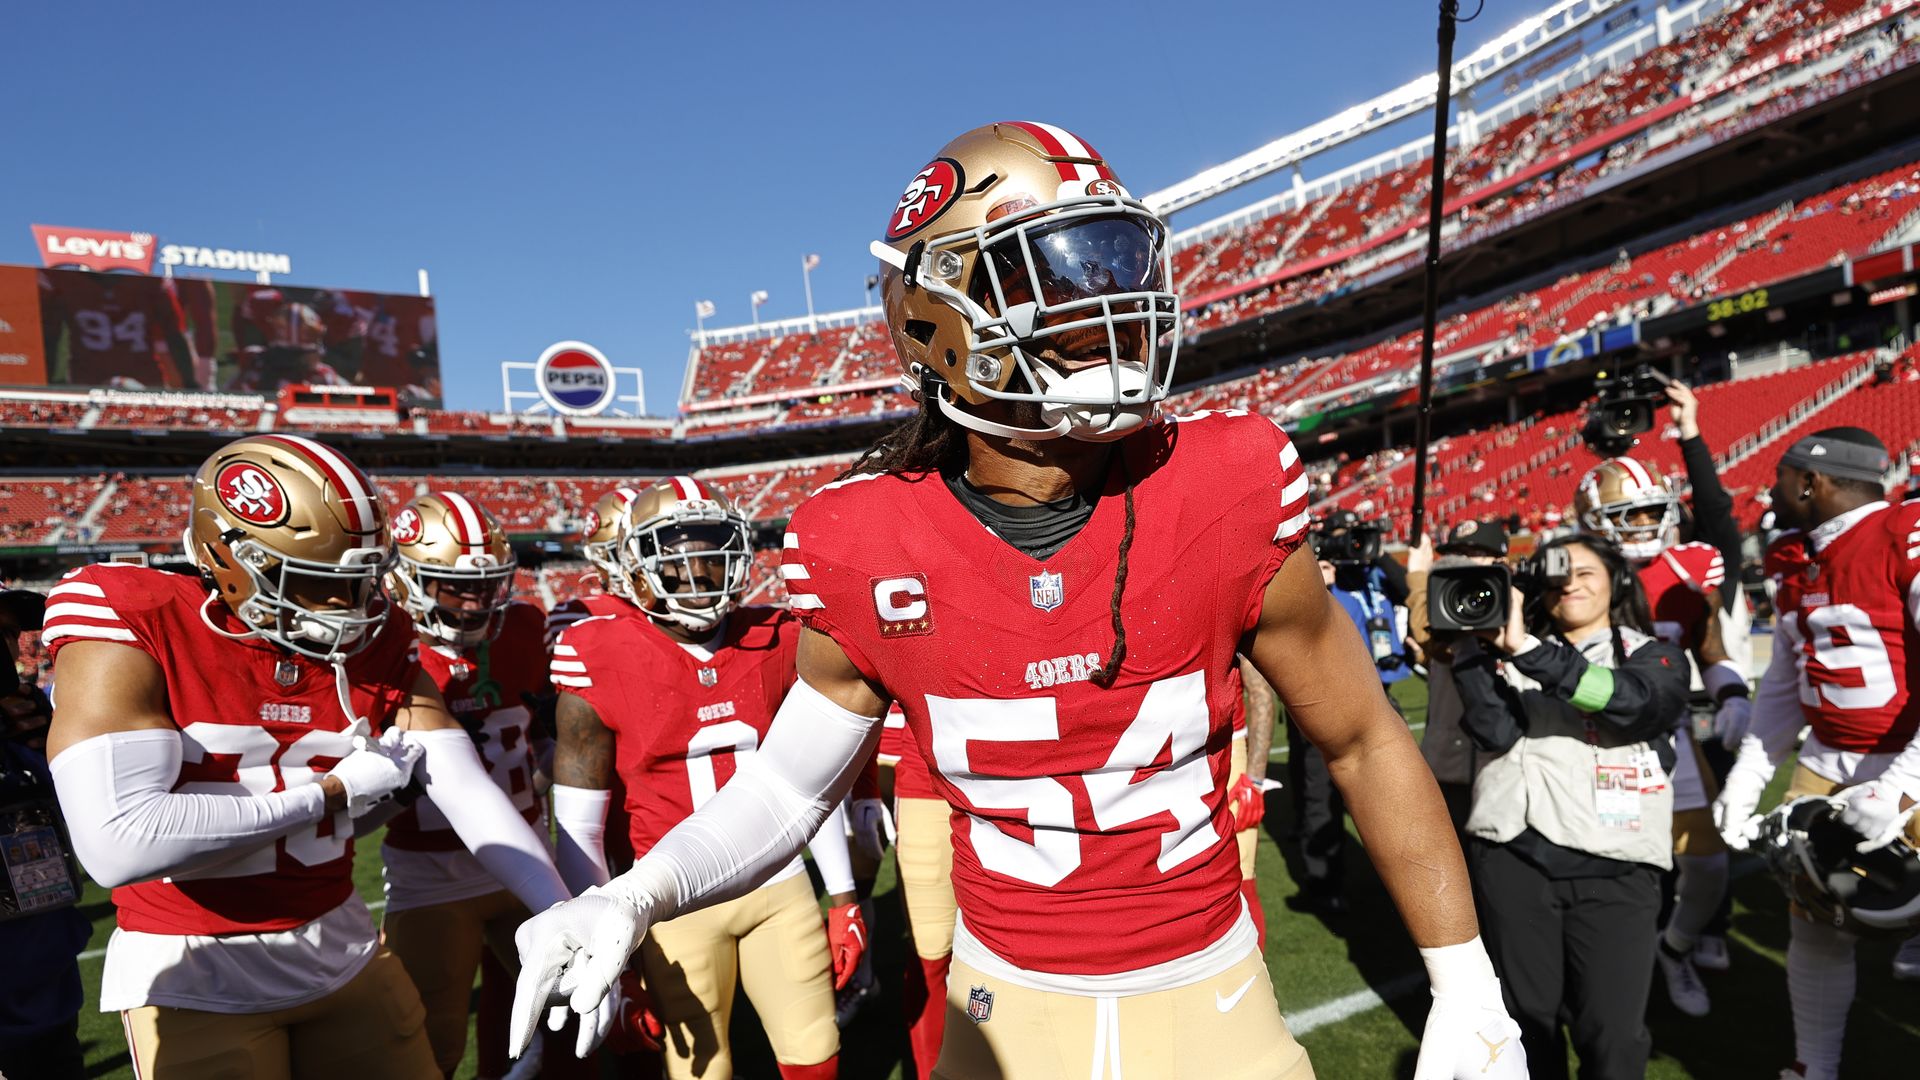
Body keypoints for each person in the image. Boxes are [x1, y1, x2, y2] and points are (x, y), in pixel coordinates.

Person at [513, 121, 1524, 1080]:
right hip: (1006, 1009)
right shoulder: (864, 539)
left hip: (1212, 989)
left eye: (1117, 271)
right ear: (937, 317)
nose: (1109, 312)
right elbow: (786, 791)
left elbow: (1360, 737)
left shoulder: (1223, 481)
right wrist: (634, 895)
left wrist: (1468, 983)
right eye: (1063, 281)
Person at [40, 433, 577, 1079]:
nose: (348, 610)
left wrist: (560, 911)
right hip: (195, 969)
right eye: (318, 583)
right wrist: (331, 794)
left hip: (341, 942)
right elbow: (119, 843)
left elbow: (463, 786)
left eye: (357, 582)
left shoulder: (381, 635)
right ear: (229, 556)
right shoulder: (133, 611)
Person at [548, 476, 865, 1080]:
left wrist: (844, 896)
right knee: (700, 1067)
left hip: (781, 881)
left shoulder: (777, 637)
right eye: (679, 553)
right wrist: (601, 948)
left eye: (711, 547)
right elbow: (580, 829)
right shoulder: (595, 653)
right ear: (637, 568)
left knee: (816, 1053)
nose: (699, 567)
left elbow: (809, 784)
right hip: (671, 897)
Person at [1712, 427, 1920, 1080]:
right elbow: (1784, 681)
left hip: (1909, 762)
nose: (1771, 490)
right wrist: (1749, 776)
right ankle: (1816, 1067)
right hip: (1826, 761)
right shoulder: (1794, 559)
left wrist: (1897, 787)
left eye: (1780, 476)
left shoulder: (1903, 533)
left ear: (1810, 481)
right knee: (1815, 923)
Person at [1450, 534, 1691, 1080]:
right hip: (1513, 856)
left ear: (1618, 580)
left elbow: (1633, 705)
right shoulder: (1504, 647)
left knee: (1612, 1035)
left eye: (1585, 571)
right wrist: (1468, 648)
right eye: (1558, 574)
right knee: (1525, 1027)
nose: (1570, 583)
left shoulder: (1654, 654)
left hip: (1618, 865)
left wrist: (1527, 652)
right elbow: (1494, 731)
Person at [380, 491, 583, 1077]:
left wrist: (550, 759)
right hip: (431, 874)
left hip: (525, 853)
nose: (477, 599)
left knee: (567, 1014)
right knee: (430, 1037)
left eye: (488, 582)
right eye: (455, 583)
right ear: (410, 579)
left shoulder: (521, 627)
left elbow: (538, 733)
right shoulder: (386, 646)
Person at [1576, 446, 1747, 1016]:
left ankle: (1673, 949)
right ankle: (1608, 971)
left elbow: (1708, 642)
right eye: (1633, 515)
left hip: (1669, 733)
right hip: (1595, 741)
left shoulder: (1687, 567)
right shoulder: (1577, 572)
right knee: (1615, 869)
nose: (1649, 525)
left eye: (1653, 512)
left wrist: (1732, 692)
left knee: (1706, 863)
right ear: (1596, 520)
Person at [1291, 514, 1411, 914]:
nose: (1354, 547)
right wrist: (1317, 574)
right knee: (1321, 800)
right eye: (1345, 540)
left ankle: (1394, 877)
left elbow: (1409, 589)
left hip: (1381, 697)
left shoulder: (1371, 578)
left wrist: (1376, 554)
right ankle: (1323, 884)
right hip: (1330, 700)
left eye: (1358, 539)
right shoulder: (1320, 581)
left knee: (1389, 794)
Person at [0, 587, 90, 1080]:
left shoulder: (28, 716)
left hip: (48, 985)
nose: (9, 647)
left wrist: (53, 746)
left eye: (11, 632)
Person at [1405, 519, 1511, 833]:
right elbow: (1435, 643)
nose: (1462, 562)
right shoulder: (1446, 607)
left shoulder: (1514, 608)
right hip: (1447, 763)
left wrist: (1416, 578)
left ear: (1500, 561)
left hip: (1500, 768)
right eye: (1456, 553)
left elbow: (1436, 644)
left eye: (1474, 552)